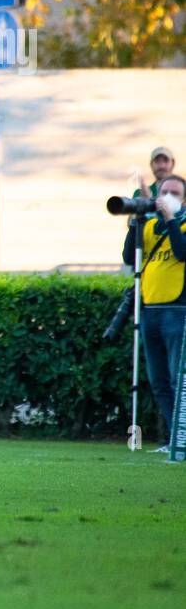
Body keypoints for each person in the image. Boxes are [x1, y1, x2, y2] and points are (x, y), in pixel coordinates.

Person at [121, 173, 186, 451]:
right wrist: (135, 223)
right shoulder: (150, 227)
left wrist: (171, 218)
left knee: (178, 378)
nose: (168, 196)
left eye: (175, 192)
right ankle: (175, 438)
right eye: (164, 191)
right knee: (159, 381)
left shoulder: (180, 226)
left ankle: (182, 439)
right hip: (149, 311)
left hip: (177, 310)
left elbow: (182, 253)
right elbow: (128, 257)